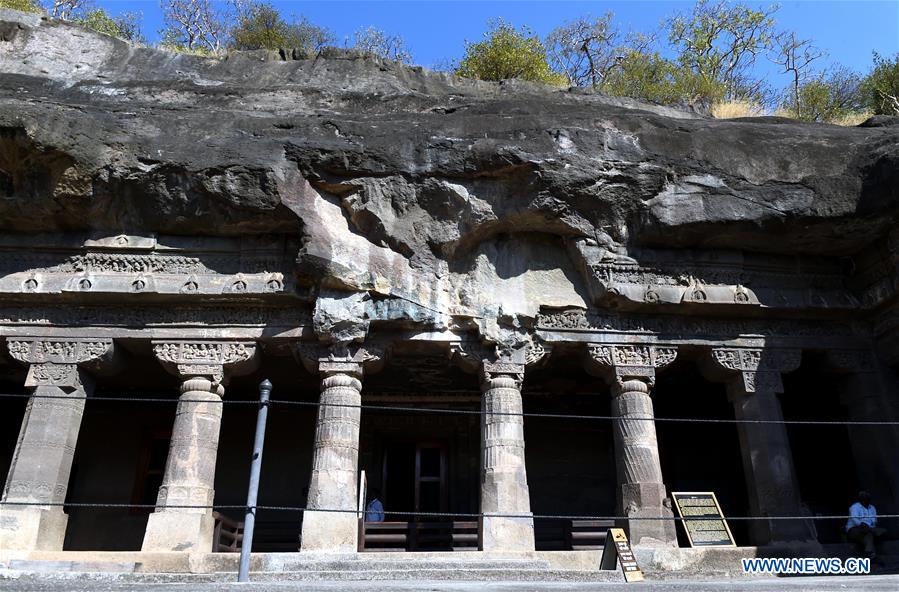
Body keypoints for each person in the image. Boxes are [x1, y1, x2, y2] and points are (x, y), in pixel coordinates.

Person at [846, 491, 886, 560]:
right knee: (873, 533)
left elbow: (875, 521)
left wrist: (869, 528)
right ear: (860, 498)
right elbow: (856, 521)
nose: (865, 498)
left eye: (867, 496)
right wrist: (864, 525)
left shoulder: (872, 508)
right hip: (855, 529)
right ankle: (871, 553)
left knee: (870, 535)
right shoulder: (855, 507)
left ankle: (869, 553)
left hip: (868, 530)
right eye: (863, 496)